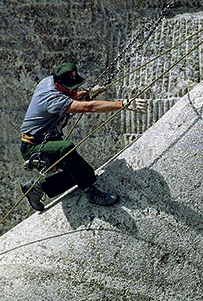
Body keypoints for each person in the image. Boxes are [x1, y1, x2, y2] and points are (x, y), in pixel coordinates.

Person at [20, 62, 148, 210]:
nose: (76, 90)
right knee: (66, 149)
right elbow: (89, 107)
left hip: (50, 140)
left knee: (84, 172)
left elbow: (72, 97)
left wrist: (86, 94)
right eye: (72, 88)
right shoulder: (52, 99)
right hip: (34, 147)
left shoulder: (49, 81)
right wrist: (123, 104)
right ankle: (90, 192)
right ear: (59, 86)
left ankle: (36, 188)